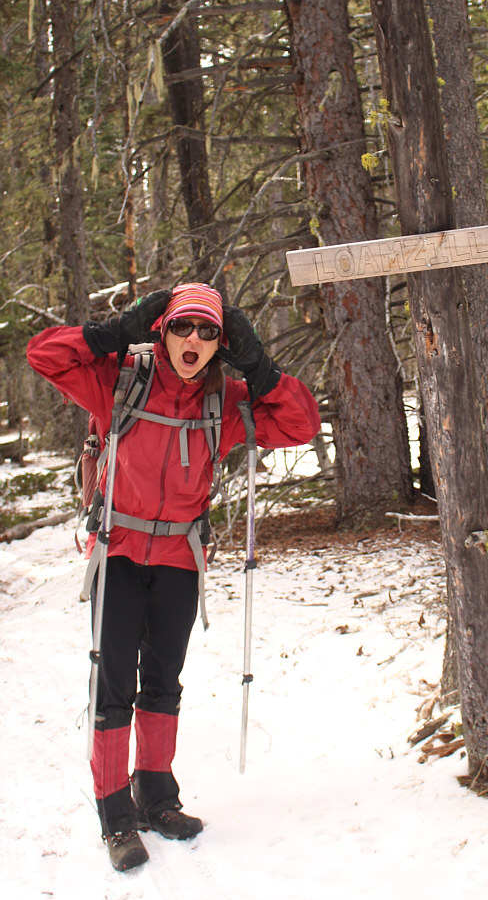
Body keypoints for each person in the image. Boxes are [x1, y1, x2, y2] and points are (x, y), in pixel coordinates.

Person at [27, 284, 320, 872]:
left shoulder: (227, 402)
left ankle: (156, 797)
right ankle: (115, 814)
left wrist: (260, 368)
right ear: (162, 330)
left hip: (180, 561)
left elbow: (301, 423)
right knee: (113, 685)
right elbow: (43, 355)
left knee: (162, 680)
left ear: (221, 342)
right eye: (183, 327)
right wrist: (113, 331)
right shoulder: (122, 379)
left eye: (209, 332)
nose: (194, 341)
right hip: (119, 551)